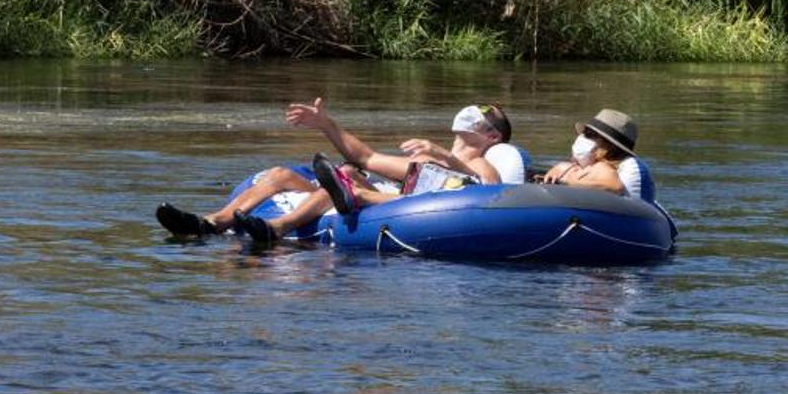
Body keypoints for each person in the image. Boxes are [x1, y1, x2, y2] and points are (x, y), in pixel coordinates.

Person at [156, 99, 521, 241]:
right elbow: (367, 157)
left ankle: (277, 229)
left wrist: (446, 156)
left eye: (484, 116)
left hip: (419, 210)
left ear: (492, 135)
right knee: (284, 174)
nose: (472, 111)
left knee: (344, 180)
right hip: (386, 191)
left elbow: (486, 192)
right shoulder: (423, 159)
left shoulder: (483, 161)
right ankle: (211, 222)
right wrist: (325, 124)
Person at [535, 109, 640, 195]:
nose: (582, 137)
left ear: (607, 147)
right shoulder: (564, 167)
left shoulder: (603, 169)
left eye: (590, 135)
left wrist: (566, 183)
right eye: (586, 133)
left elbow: (616, 187)